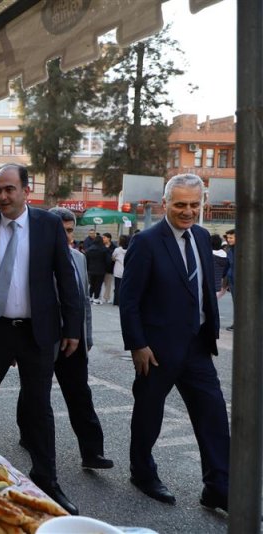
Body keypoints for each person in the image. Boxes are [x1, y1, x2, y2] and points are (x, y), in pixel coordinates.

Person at [0, 164, 81, 515]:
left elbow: (66, 277)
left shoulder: (48, 226)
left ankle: (47, 481)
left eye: (9, 189)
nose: (2, 196)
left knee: (39, 409)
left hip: (36, 332)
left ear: (27, 191)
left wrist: (72, 327)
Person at [119, 173, 229, 512]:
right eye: (180, 204)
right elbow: (130, 298)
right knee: (149, 413)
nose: (187, 211)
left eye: (194, 205)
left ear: (203, 205)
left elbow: (200, 288)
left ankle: (218, 487)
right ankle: (142, 472)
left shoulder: (201, 236)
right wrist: (138, 344)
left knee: (212, 415)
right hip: (156, 350)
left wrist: (211, 329)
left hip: (196, 347)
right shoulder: (147, 241)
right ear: (166, 203)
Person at [17, 207, 112, 471]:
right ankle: (28, 436)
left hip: (73, 338)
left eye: (70, 231)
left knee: (80, 394)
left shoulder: (77, 258)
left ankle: (92, 452)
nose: (66, 237)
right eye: (61, 231)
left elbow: (83, 302)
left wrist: (86, 335)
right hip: (41, 338)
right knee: (34, 392)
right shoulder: (30, 259)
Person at [85, 233, 110, 304]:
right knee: (98, 284)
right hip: (101, 270)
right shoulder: (104, 249)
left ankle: (89, 297)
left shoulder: (89, 249)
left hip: (91, 270)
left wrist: (87, 269)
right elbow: (108, 261)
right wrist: (106, 268)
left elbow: (86, 260)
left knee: (92, 284)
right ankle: (96, 298)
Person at [111, 235, 128, 306]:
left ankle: (116, 301)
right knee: (124, 287)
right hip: (126, 270)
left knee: (117, 287)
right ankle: (123, 301)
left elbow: (113, 257)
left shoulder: (117, 250)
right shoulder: (129, 249)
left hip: (118, 270)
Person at [210, 234, 228, 300]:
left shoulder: (209, 256)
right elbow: (225, 272)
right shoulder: (225, 256)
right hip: (218, 285)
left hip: (208, 285)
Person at [100, 232, 116, 303]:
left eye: (104, 237)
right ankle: (98, 297)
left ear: (108, 238)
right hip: (101, 267)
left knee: (108, 284)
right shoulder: (100, 245)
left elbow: (114, 256)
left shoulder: (114, 247)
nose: (102, 239)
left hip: (109, 268)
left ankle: (107, 298)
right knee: (98, 283)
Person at [224, 228, 235, 331]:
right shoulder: (229, 249)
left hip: (243, 282)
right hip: (232, 281)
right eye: (228, 238)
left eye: (231, 238)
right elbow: (228, 265)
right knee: (236, 304)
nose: (229, 240)